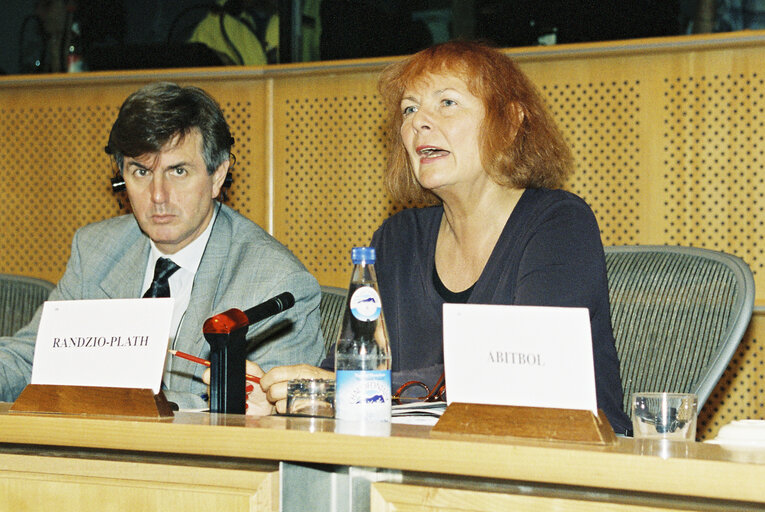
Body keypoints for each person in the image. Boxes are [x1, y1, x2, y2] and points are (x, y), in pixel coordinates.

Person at [246, 41, 631, 434]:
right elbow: (354, 365)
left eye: (446, 103)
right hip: (430, 467)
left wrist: (353, 389)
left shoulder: (558, 223)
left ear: (511, 123)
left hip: (569, 465)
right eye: (409, 109)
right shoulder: (397, 241)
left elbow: (524, 380)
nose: (418, 122)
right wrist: (288, 394)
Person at [0, 82, 324, 409]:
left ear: (218, 176)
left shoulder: (277, 285)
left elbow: (277, 419)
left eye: (178, 171)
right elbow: (31, 359)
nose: (158, 195)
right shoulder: (96, 250)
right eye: (141, 171)